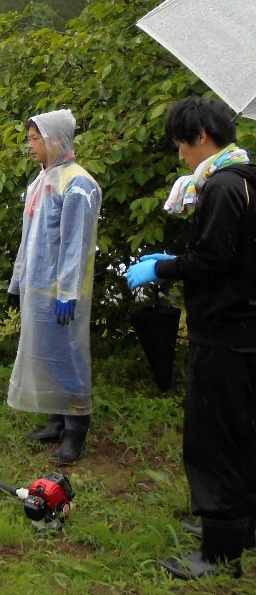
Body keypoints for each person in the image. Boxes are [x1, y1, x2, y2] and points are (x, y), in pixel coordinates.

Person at [126, 95, 256, 580]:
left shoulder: (221, 187)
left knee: (212, 442)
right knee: (245, 435)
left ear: (201, 137)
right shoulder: (248, 178)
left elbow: (212, 261)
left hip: (221, 334)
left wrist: (163, 266)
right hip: (247, 332)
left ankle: (221, 553)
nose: (181, 156)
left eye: (182, 145)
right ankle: (243, 528)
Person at [7, 109, 101, 465]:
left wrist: (68, 293)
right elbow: (28, 240)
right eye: (29, 138)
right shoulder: (40, 182)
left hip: (63, 294)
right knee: (45, 357)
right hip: (37, 289)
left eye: (36, 138)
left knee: (70, 359)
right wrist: (17, 282)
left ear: (57, 141)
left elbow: (76, 244)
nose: (30, 145)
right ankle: (56, 419)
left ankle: (76, 429)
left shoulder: (78, 184)